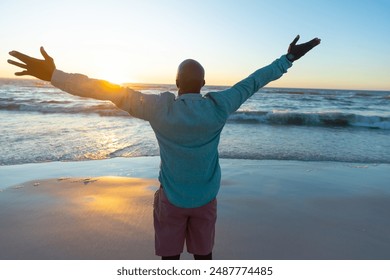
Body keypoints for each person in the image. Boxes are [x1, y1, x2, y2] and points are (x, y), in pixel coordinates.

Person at [8, 35, 321, 260]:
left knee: (169, 261)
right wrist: (288, 58)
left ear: (175, 81)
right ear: (204, 82)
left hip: (171, 200)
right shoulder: (218, 106)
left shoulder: (159, 108)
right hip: (205, 200)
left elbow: (103, 89)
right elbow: (253, 82)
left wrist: (54, 75)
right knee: (204, 257)